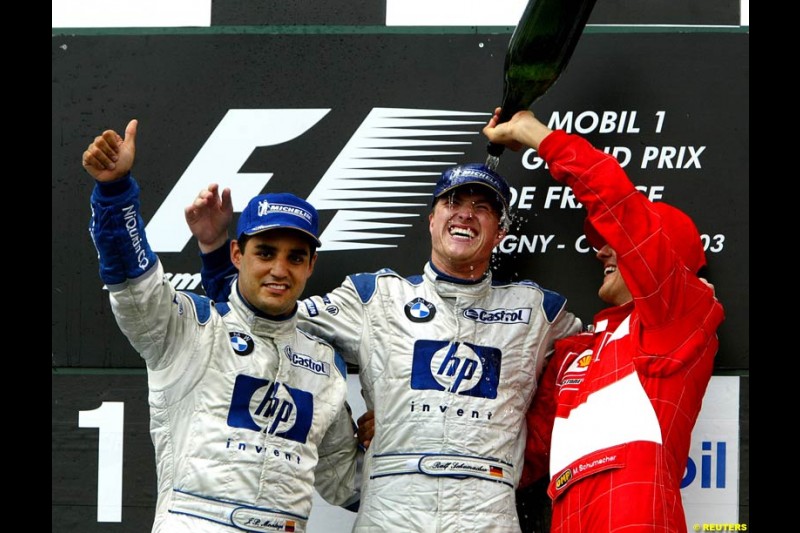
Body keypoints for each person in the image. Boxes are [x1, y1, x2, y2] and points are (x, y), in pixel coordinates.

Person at [189, 162, 583, 531]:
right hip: (391, 513)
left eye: (481, 207)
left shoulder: (539, 313)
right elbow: (261, 310)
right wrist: (214, 249)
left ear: (500, 233)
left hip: (486, 513)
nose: (464, 214)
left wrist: (523, 431)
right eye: (452, 202)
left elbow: (598, 364)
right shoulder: (373, 297)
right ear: (431, 221)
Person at [83, 119, 361, 533]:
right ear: (237, 254)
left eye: (295, 257)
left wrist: (394, 432)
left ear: (311, 265)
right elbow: (133, 286)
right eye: (265, 253)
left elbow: (347, 483)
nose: (279, 270)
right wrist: (115, 190)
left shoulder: (324, 365)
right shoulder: (191, 330)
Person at [483, 108, 725, 533]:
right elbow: (520, 454)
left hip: (636, 517)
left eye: (613, 243)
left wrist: (536, 135)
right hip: (566, 518)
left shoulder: (678, 315)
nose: (600, 251)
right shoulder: (575, 351)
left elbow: (617, 204)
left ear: (662, 254)